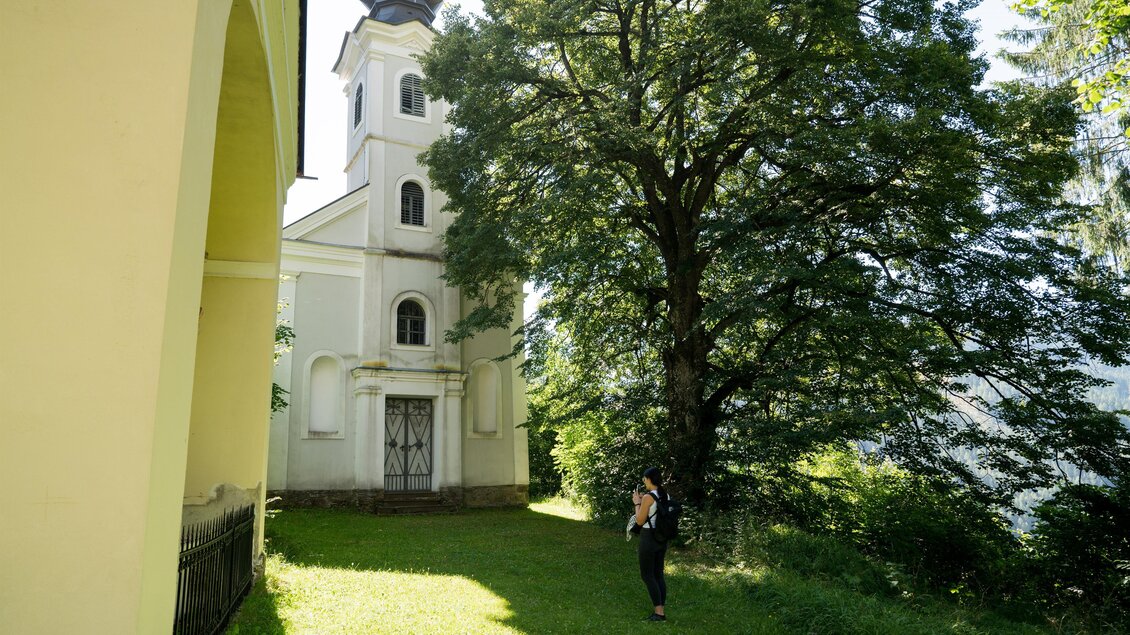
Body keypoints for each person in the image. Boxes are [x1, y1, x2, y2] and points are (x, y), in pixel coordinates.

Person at [631, 466, 668, 622]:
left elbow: (639, 520)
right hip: (661, 537)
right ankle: (661, 609)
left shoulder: (647, 497)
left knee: (647, 575)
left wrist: (637, 503)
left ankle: (659, 613)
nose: (644, 482)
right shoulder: (664, 494)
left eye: (644, 479)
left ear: (648, 479)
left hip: (648, 537)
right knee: (658, 573)